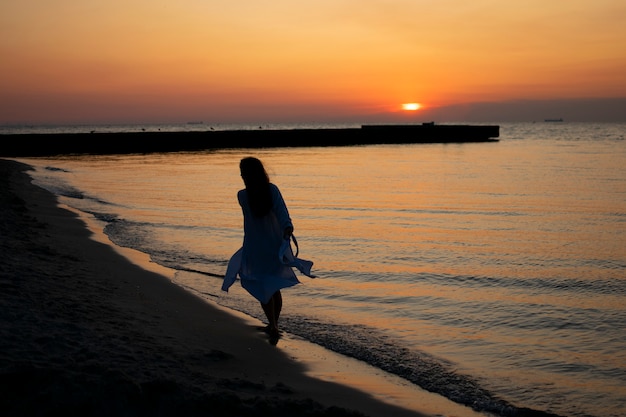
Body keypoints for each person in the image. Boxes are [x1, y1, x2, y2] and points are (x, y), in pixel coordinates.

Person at [222, 157, 315, 344]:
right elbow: (282, 212)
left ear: (249, 174)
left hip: (257, 246)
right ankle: (274, 323)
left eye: (243, 172)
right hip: (269, 245)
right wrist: (287, 226)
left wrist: (287, 226)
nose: (241, 175)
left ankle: (272, 323)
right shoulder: (265, 191)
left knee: (266, 286)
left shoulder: (244, 195)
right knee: (271, 286)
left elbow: (277, 212)